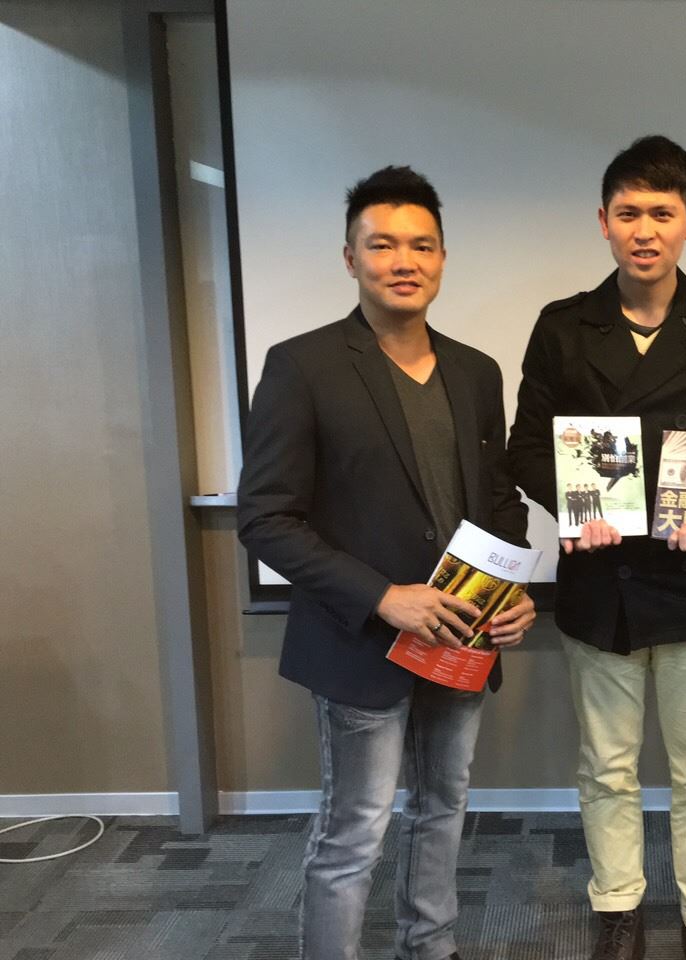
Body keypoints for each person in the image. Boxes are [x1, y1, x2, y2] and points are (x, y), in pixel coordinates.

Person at [237, 165, 535, 960]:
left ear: (442, 258)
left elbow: (496, 497)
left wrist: (514, 590)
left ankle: (430, 948)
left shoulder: (475, 371)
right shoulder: (303, 366)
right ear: (350, 258)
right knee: (355, 832)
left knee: (444, 808)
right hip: (362, 642)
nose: (404, 261)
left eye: (422, 245)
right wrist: (382, 597)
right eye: (382, 245)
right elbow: (265, 518)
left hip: (462, 637)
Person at [508, 135, 686, 960]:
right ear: (604, 221)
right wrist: (572, 508)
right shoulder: (563, 327)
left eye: (662, 213)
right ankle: (618, 910)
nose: (645, 230)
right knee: (607, 766)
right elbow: (525, 447)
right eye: (628, 213)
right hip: (602, 580)